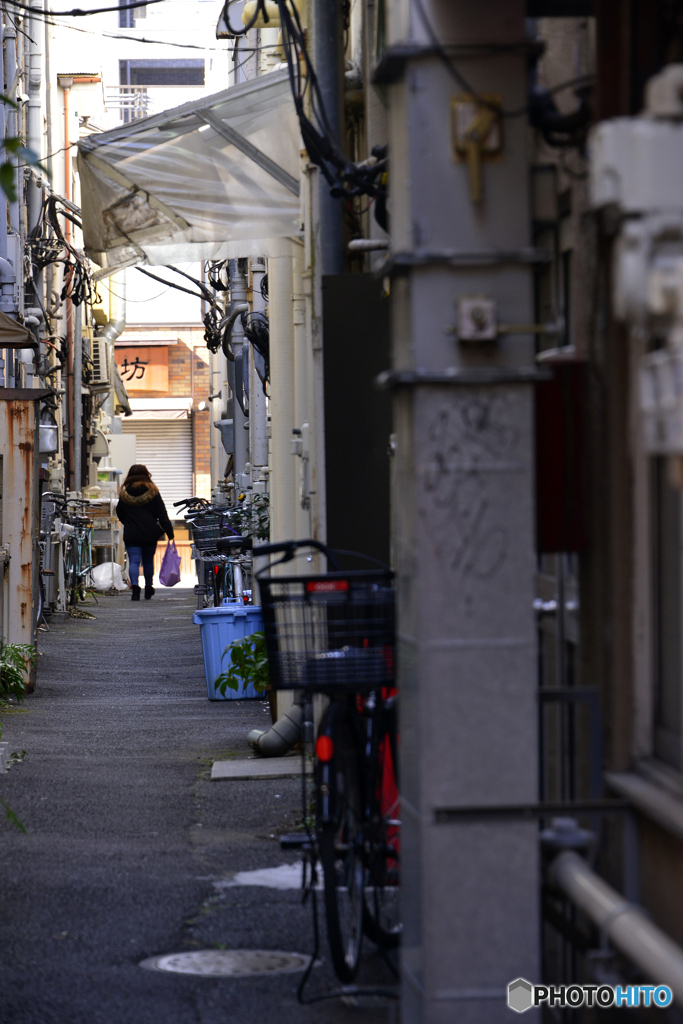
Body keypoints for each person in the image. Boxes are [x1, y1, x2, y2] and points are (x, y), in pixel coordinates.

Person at [116, 464, 174, 601]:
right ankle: (148, 587)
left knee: (134, 561)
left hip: (132, 533)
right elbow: (162, 513)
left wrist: (129, 523)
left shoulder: (125, 493)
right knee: (148, 561)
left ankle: (135, 588)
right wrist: (169, 531)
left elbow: (120, 513)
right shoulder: (153, 491)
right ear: (146, 474)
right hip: (150, 533)